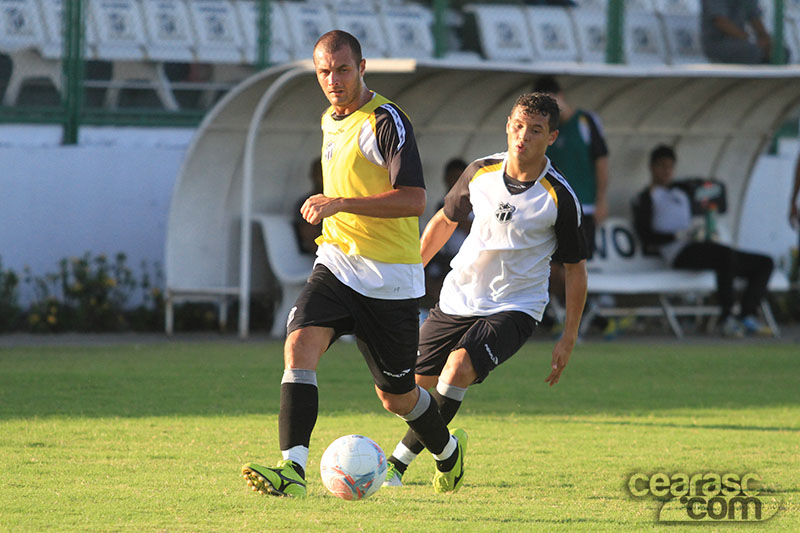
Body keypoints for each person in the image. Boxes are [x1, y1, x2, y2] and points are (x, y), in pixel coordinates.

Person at [241, 30, 465, 498]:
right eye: (324, 71)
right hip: (338, 264)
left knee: (397, 397)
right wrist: (333, 211)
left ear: (362, 68)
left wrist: (340, 202)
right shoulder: (328, 119)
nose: (334, 80)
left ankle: (447, 454)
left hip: (391, 280)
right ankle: (293, 471)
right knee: (299, 344)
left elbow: (415, 199)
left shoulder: (386, 120)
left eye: (343, 69)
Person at [382, 92, 588, 487]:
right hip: (458, 297)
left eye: (535, 130)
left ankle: (396, 466)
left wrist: (569, 335)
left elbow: (575, 269)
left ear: (552, 137)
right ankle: (450, 453)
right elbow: (444, 221)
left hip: (515, 306)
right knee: (406, 395)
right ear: (507, 125)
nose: (523, 136)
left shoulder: (559, 197)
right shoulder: (480, 172)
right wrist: (411, 273)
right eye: (517, 126)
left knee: (458, 368)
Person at [633, 144, 774, 336]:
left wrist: (701, 227)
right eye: (662, 166)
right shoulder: (646, 198)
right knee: (723, 256)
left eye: (670, 167)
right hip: (676, 251)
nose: (667, 171)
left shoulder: (681, 192)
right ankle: (727, 318)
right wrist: (677, 235)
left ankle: (747, 315)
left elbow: (710, 196)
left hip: (697, 245)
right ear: (652, 167)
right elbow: (646, 236)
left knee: (764, 263)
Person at [533, 75, 614, 335]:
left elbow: (601, 161)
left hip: (584, 209)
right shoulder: (538, 128)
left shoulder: (584, 122)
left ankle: (578, 317)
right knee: (550, 268)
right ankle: (579, 313)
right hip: (550, 210)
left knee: (573, 265)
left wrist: (601, 199)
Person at [422, 157, 470, 311]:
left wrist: (454, 214)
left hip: (472, 259)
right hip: (447, 258)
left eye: (459, 179)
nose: (455, 184)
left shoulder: (479, 203)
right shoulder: (442, 206)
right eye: (452, 179)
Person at [701, 0, 774, 64]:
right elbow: (720, 21)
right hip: (718, 43)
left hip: (742, 42)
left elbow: (754, 17)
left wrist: (766, 41)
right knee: (752, 51)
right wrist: (752, 40)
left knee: (779, 52)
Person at [293, 157, 324, 255]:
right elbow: (309, 237)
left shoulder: (340, 202)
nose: (321, 178)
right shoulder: (307, 203)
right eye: (318, 173)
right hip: (325, 255)